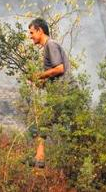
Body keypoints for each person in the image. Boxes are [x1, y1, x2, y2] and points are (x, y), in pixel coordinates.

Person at [27, 18, 71, 168]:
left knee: (44, 124)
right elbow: (54, 75)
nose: (30, 36)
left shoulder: (50, 45)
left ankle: (40, 159)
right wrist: (39, 82)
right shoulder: (48, 47)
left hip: (63, 93)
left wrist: (39, 75)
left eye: (32, 32)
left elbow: (59, 69)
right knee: (66, 127)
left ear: (40, 30)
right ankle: (39, 158)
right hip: (62, 93)